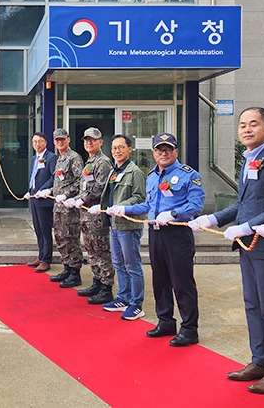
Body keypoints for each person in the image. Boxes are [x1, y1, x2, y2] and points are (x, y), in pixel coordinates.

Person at [189, 107, 264, 394]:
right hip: (249, 247)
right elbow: (244, 203)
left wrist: (246, 226)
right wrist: (213, 218)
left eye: (254, 124)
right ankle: (260, 361)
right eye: (242, 125)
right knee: (252, 305)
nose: (247, 130)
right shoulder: (250, 160)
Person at [108, 132, 205, 347]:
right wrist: (125, 208)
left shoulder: (189, 174)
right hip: (155, 233)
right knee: (160, 281)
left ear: (176, 152)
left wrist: (173, 214)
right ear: (153, 153)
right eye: (159, 149)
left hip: (177, 234)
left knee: (182, 283)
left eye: (168, 149)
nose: (164, 153)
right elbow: (148, 206)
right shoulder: (152, 176)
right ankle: (165, 321)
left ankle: (189, 329)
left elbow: (196, 205)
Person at [96, 135, 146, 320]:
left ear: (129, 149)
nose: (117, 151)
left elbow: (140, 197)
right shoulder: (114, 170)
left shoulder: (135, 172)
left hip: (128, 224)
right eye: (114, 148)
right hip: (114, 224)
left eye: (121, 147)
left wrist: (122, 206)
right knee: (118, 263)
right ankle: (123, 298)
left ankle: (136, 303)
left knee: (132, 265)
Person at [66, 127, 114, 305]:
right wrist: (76, 198)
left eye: (93, 140)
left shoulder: (103, 162)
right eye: (86, 140)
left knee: (100, 250)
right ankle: (97, 281)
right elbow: (83, 186)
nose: (89, 143)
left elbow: (99, 188)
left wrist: (81, 199)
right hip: (85, 214)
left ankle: (106, 287)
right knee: (91, 250)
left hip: (96, 215)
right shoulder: (90, 162)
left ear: (100, 142)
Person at [49, 129, 85, 289]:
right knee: (60, 238)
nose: (60, 142)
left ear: (68, 140)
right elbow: (59, 181)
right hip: (58, 206)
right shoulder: (60, 159)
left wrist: (67, 195)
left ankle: (75, 272)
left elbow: (80, 181)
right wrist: (50, 191)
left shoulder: (74, 158)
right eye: (57, 140)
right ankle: (66, 267)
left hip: (69, 206)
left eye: (62, 139)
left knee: (71, 238)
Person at [23, 132, 58, 272]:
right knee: (37, 228)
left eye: (40, 141)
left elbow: (52, 177)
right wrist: (30, 190)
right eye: (35, 142)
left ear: (46, 143)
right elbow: (33, 177)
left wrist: (43, 190)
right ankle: (40, 255)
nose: (37, 144)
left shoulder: (51, 157)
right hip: (33, 197)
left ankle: (46, 260)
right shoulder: (33, 159)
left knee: (45, 229)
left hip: (43, 198)